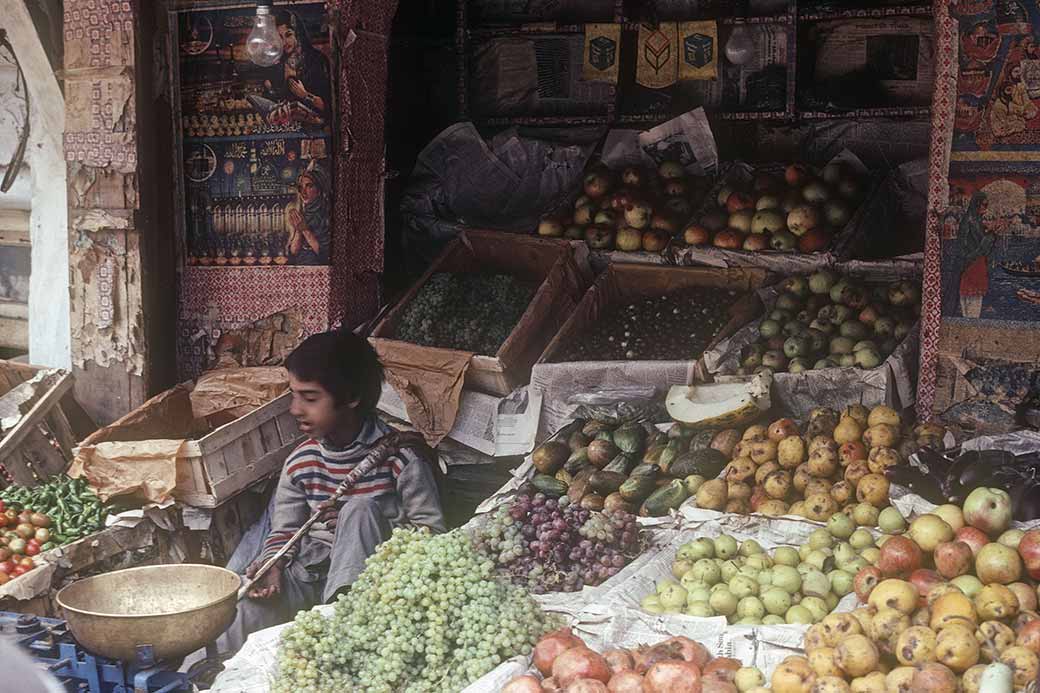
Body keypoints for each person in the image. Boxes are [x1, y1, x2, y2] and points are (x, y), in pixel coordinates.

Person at [221, 331, 445, 652]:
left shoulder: (401, 458)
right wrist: (273, 564)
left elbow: (433, 535)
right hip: (310, 577)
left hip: (373, 586)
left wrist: (362, 523)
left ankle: (341, 636)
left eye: (310, 398)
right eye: (293, 394)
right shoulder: (301, 462)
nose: (295, 409)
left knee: (360, 510)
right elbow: (284, 531)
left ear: (352, 396)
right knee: (243, 611)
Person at [264, 10, 332, 129]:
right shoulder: (277, 64)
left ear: (298, 33)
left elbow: (328, 106)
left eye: (288, 35)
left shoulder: (317, 60)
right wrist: (270, 90)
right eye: (279, 37)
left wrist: (305, 95)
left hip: (316, 132)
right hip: (287, 130)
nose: (284, 42)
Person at [954, 192, 995, 319]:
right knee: (972, 311)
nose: (986, 208)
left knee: (969, 309)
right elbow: (980, 248)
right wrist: (991, 235)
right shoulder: (971, 221)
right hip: (973, 268)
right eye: (984, 204)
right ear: (977, 204)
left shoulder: (974, 220)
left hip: (972, 267)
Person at [285, 163, 330, 265]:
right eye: (301, 188)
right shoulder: (302, 213)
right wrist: (299, 229)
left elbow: (326, 254)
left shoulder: (326, 214)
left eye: (309, 186)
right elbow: (293, 251)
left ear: (319, 190)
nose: (303, 192)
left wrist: (305, 230)